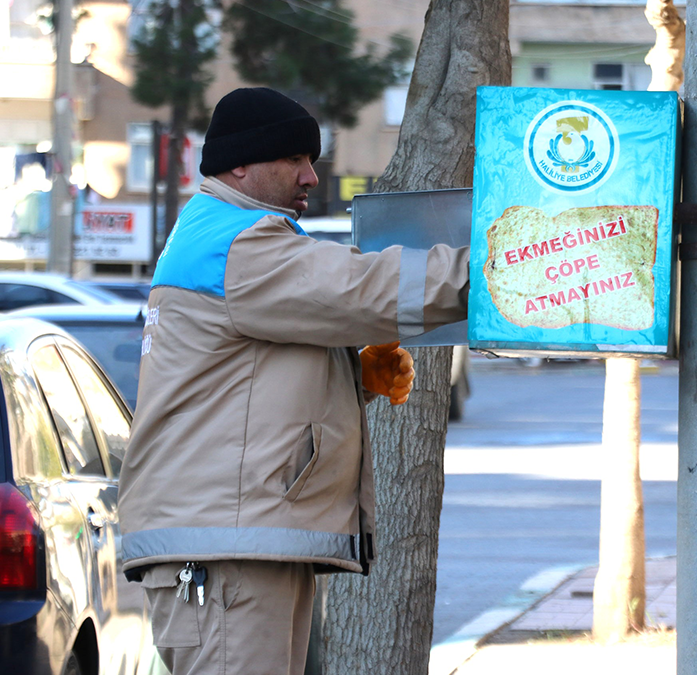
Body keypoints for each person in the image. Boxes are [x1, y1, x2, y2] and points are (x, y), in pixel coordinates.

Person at [117, 87, 470, 675]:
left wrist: (352, 376)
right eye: (296, 160)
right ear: (241, 164)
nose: (311, 175)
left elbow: (239, 378)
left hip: (234, 540)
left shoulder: (218, 233)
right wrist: (498, 267)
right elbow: (367, 288)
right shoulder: (241, 244)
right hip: (226, 548)